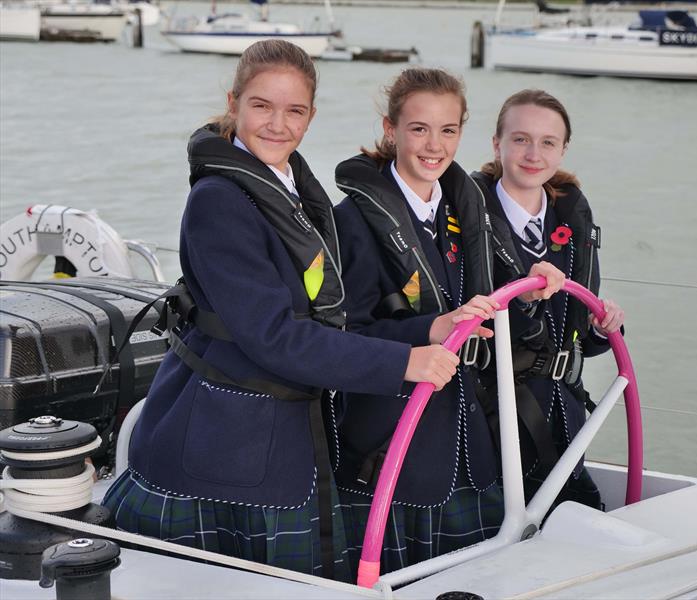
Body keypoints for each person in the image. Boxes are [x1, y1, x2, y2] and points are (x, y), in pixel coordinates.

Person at [102, 41, 461, 582]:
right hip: (221, 453)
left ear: (311, 116)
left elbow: (325, 316)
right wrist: (402, 361)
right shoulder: (219, 201)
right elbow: (274, 336)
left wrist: (425, 329)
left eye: (294, 110)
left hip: (279, 441)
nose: (277, 124)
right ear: (235, 102)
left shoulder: (288, 187)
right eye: (262, 105)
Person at [331, 68, 563, 575]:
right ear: (391, 131)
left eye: (448, 130)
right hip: (394, 450)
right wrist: (429, 329)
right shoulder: (352, 220)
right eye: (418, 129)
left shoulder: (465, 211)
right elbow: (343, 337)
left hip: (469, 444)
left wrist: (539, 270)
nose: (434, 146)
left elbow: (506, 286)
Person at [471, 89, 624, 508]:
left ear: (563, 150)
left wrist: (601, 322)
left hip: (565, 409)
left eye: (548, 142)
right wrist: (522, 298)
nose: (533, 153)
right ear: (496, 144)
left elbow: (583, 339)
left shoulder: (572, 217)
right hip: (491, 412)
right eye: (520, 139)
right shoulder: (464, 217)